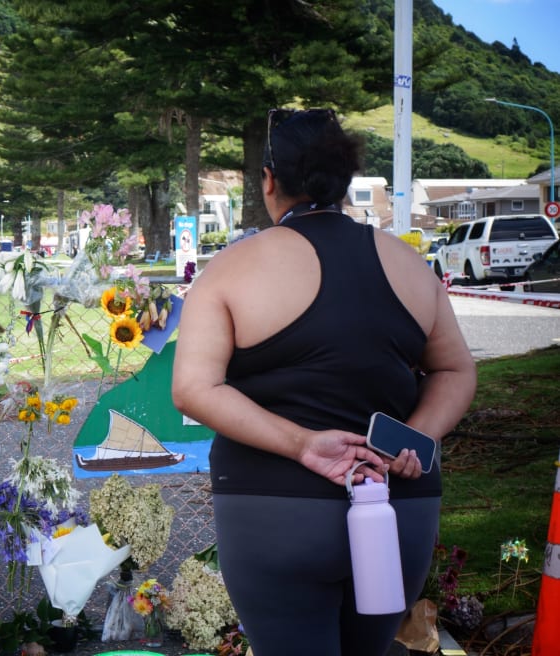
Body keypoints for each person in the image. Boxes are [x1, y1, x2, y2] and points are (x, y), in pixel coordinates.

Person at [172, 108, 476, 656]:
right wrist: (416, 438)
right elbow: (456, 369)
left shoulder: (233, 268)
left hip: (275, 509)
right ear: (345, 180)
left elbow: (194, 388)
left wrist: (304, 444)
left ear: (269, 179)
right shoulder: (409, 265)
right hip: (398, 504)